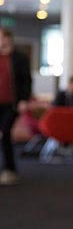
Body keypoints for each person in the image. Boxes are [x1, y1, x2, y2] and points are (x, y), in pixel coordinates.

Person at [0, 28, 32, 186]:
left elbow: (26, 80)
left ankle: (9, 169)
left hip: (11, 104)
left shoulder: (19, 58)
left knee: (5, 132)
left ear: (7, 39)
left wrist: (24, 99)